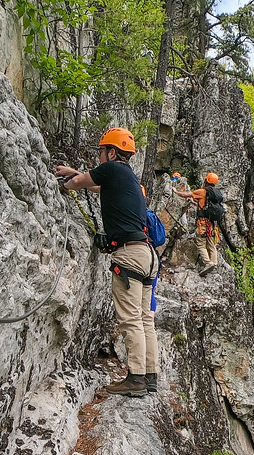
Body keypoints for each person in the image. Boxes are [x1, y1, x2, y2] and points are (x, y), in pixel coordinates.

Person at [55, 128, 159, 397]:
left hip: (129, 255)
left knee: (131, 320)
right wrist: (73, 172)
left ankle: (135, 379)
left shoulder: (112, 168)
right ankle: (149, 376)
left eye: (101, 152)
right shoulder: (129, 178)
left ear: (112, 152)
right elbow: (96, 185)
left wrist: (65, 185)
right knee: (145, 319)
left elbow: (81, 184)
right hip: (147, 255)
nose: (99, 156)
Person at [174, 171, 222, 276]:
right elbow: (204, 206)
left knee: (201, 244)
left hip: (203, 224)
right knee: (211, 244)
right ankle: (214, 264)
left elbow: (185, 194)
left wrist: (176, 192)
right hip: (213, 224)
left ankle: (208, 263)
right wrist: (194, 203)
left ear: (206, 180)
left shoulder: (202, 191)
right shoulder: (215, 195)